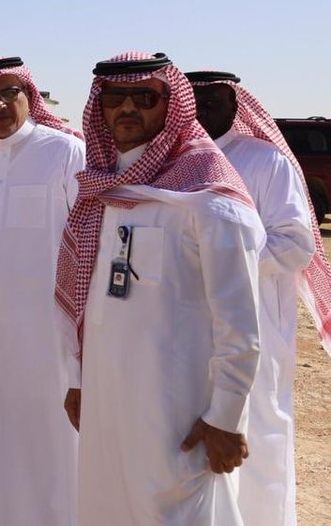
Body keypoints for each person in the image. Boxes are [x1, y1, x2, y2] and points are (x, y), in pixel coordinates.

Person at [56, 52, 263, 526]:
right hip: (107, 400)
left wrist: (226, 417)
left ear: (171, 104)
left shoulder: (209, 196)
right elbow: (91, 303)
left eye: (143, 97)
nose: (127, 108)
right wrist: (79, 380)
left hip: (178, 410)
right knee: (105, 505)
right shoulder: (105, 189)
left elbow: (239, 324)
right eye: (114, 98)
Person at [0, 55, 85, 526]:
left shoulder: (63, 151)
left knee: (47, 436)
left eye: (10, 93)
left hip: (45, 328)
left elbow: (86, 234)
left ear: (30, 96)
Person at [187, 69, 328, 526]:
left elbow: (295, 244)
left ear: (236, 105)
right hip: (187, 319)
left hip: (256, 320)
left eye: (214, 101)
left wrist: (222, 260)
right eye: (195, 101)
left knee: (258, 427)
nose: (203, 110)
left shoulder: (266, 161)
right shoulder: (175, 160)